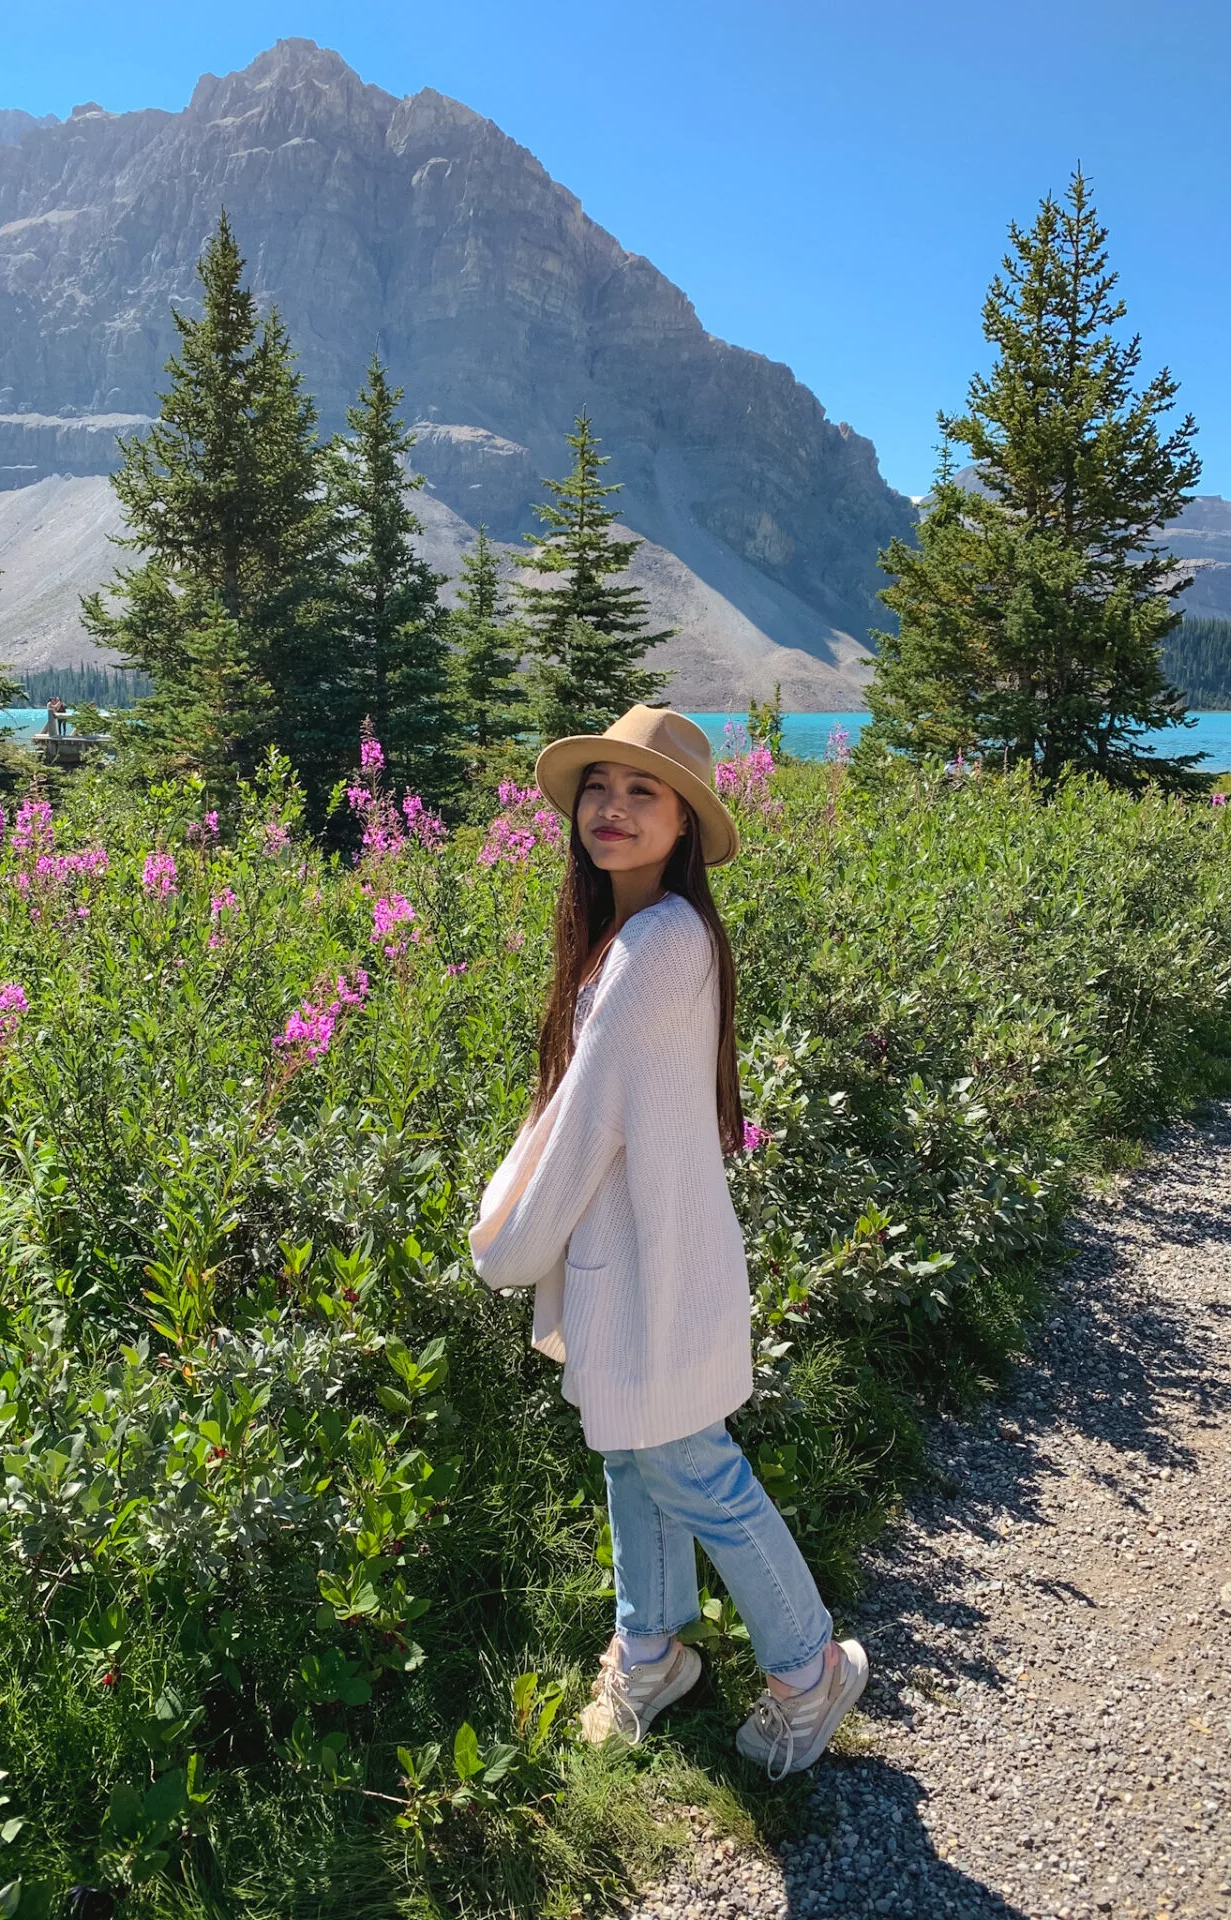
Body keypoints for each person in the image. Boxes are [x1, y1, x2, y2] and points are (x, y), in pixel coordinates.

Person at [468, 704, 867, 1780]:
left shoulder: (657, 945)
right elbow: (585, 1106)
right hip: (641, 1261)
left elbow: (583, 1124)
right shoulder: (642, 937)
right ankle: (652, 1650)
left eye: (644, 793)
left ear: (686, 823)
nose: (612, 808)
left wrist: (505, 1243)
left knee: (692, 1464)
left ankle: (808, 1665)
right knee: (633, 1450)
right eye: (600, 787)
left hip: (655, 1264)